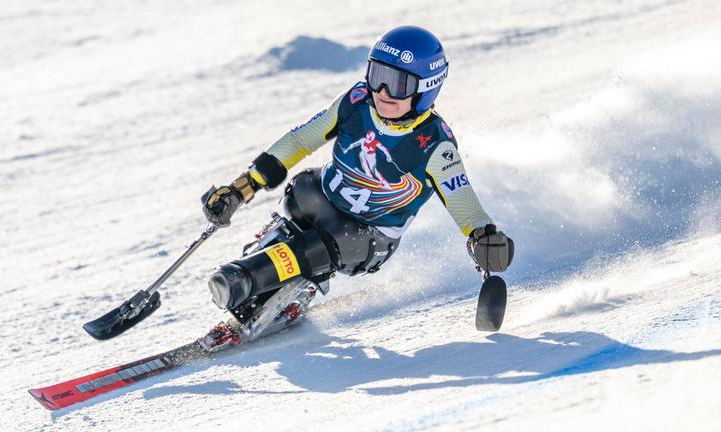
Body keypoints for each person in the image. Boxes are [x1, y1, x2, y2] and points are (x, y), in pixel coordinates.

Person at [201, 26, 514, 320]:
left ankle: (242, 279)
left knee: (323, 246)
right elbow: (301, 139)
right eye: (377, 75)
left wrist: (483, 237)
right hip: (322, 193)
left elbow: (461, 197)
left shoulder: (435, 145)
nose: (382, 91)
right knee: (298, 193)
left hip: (368, 234)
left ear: (425, 89)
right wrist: (243, 187)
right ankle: (273, 259)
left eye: (398, 83)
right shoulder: (357, 101)